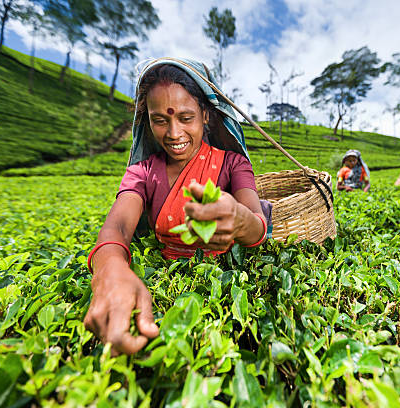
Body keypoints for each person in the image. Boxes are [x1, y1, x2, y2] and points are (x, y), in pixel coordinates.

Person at [83, 58, 268, 356]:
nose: (173, 133)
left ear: (205, 115)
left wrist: (240, 220)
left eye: (186, 117)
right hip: (168, 276)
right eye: (160, 120)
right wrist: (110, 268)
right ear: (148, 122)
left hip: (227, 280)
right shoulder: (142, 173)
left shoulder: (233, 164)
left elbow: (257, 223)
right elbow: (116, 228)